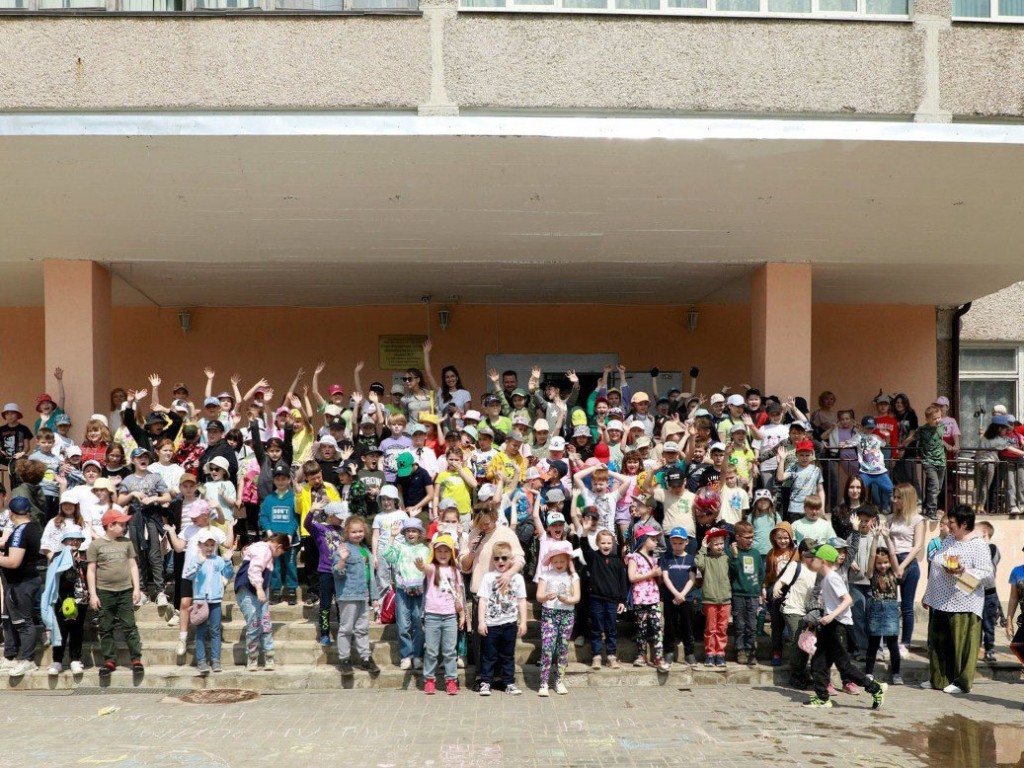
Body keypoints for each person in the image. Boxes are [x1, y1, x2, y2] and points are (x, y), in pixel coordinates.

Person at [803, 544, 887, 709]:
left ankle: (875, 688)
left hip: (839, 626)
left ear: (823, 561)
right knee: (819, 663)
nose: (810, 562)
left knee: (844, 667)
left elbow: (848, 600)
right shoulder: (825, 579)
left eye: (813, 559)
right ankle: (822, 698)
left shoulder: (833, 578)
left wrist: (831, 615)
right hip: (829, 626)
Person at [921, 504, 993, 694]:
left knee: (962, 645)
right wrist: (928, 594)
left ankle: (962, 683)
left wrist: (963, 572)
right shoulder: (949, 540)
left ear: (964, 524)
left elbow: (987, 575)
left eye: (952, 522)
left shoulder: (978, 545)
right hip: (941, 600)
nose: (949, 525)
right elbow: (937, 564)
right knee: (938, 643)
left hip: (965, 602)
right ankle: (939, 679)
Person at [86, 508, 143, 677]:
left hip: (125, 591)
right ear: (110, 525)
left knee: (129, 626)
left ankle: (136, 659)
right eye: (121, 524)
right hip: (105, 592)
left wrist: (137, 588)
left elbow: (133, 566)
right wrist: (93, 594)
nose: (124, 527)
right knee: (105, 627)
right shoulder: (96, 545)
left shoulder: (127, 543)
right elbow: (91, 571)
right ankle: (109, 660)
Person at [116, 447, 171, 607]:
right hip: (135, 519)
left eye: (146, 456)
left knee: (155, 554)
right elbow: (120, 501)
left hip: (152, 517)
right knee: (137, 555)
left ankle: (160, 591)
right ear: (133, 460)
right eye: (139, 457)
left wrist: (153, 498)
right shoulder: (128, 480)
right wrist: (133, 495)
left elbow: (167, 496)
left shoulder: (155, 477)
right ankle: (143, 591)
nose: (143, 459)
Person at [417, 534, 467, 695]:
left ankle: (451, 680)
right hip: (432, 614)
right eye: (440, 551)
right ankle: (429, 679)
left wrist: (462, 614)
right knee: (431, 650)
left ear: (451, 553)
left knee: (450, 651)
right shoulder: (433, 568)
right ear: (435, 553)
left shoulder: (455, 571)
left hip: (450, 615)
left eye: (446, 551)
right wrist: (420, 565)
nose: (443, 554)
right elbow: (425, 568)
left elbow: (459, 592)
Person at [476, 539, 527, 696]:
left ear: (511, 560)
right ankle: (486, 681)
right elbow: (483, 600)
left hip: (509, 623)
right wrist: (481, 621)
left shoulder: (517, 578)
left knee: (507, 656)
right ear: (493, 560)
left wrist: (523, 621)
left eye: (504, 558)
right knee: (489, 655)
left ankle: (509, 682)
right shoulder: (488, 577)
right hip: (491, 624)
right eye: (497, 558)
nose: (500, 561)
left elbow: (522, 600)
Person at [0, 496, 44, 676]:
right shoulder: (32, 528)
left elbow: (13, 562)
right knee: (10, 619)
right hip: (20, 582)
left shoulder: (20, 532)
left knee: (23, 622)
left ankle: (28, 659)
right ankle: (10, 657)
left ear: (11, 513)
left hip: (22, 583)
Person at [333, 516, 381, 676]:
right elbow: (337, 573)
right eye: (353, 532)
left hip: (363, 595)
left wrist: (374, 597)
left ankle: (366, 658)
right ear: (347, 532)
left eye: (360, 531)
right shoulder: (343, 549)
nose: (357, 534)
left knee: (362, 628)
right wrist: (342, 560)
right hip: (347, 595)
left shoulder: (366, 550)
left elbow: (372, 577)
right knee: (346, 628)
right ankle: (344, 660)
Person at [183, 530, 235, 675]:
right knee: (200, 631)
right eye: (207, 544)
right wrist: (199, 563)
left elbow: (228, 574)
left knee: (215, 630)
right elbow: (189, 575)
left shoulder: (218, 560)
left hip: (216, 600)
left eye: (212, 544)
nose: (210, 547)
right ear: (200, 545)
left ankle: (215, 660)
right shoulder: (195, 559)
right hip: (200, 601)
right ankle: (201, 661)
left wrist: (227, 560)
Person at [235, 533, 289, 672]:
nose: (280, 555)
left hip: (260, 592)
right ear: (279, 546)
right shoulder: (263, 549)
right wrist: (259, 588)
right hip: (249, 590)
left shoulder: (265, 552)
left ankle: (269, 656)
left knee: (265, 623)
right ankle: (252, 657)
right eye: (282, 552)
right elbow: (255, 569)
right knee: (254, 624)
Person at [383, 517, 429, 671]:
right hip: (402, 590)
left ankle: (417, 656)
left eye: (414, 531)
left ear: (419, 533)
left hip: (420, 591)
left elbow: (430, 569)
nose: (411, 534)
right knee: (403, 625)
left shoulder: (425, 549)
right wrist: (392, 536)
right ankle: (406, 656)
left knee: (418, 623)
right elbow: (387, 555)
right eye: (408, 531)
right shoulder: (400, 547)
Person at [42, 526, 89, 675]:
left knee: (77, 629)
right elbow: (53, 579)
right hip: (61, 598)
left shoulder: (85, 556)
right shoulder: (58, 556)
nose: (74, 542)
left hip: (80, 598)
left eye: (77, 539)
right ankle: (57, 661)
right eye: (71, 539)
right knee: (60, 630)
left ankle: (75, 659)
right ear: (64, 541)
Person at [536, 540, 580, 697]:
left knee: (563, 648)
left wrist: (566, 600)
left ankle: (559, 680)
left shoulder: (573, 576)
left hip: (567, 615)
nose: (559, 563)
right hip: (549, 613)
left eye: (562, 560)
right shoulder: (546, 575)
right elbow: (539, 596)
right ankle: (544, 682)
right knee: (548, 648)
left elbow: (577, 597)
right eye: (555, 561)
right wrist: (547, 596)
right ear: (551, 561)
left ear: (568, 561)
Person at [888, 482, 924, 658]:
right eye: (894, 497)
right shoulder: (891, 518)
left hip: (908, 562)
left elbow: (917, 546)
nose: (894, 500)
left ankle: (906, 642)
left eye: (898, 497)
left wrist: (902, 566)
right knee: (890, 605)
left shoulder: (917, 519)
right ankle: (891, 641)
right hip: (891, 561)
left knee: (907, 607)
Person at [627, 526, 671, 672]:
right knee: (641, 629)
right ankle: (641, 655)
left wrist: (658, 575)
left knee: (657, 628)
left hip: (654, 598)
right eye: (652, 539)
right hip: (640, 598)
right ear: (644, 540)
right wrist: (651, 573)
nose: (656, 542)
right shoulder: (634, 557)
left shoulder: (655, 559)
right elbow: (632, 577)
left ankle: (658, 657)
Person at [863, 524, 902, 685]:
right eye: (880, 563)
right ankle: (868, 673)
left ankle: (896, 673)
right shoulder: (871, 574)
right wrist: (875, 538)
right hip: (876, 608)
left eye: (885, 562)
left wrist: (886, 537)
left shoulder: (894, 572)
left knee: (893, 644)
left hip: (891, 608)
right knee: (873, 643)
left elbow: (893, 555)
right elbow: (872, 557)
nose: (883, 565)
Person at [258, 462, 299, 605]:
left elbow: (296, 517)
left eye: (283, 479)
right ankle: (275, 590)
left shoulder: (293, 498)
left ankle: (292, 589)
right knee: (274, 565)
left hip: (290, 539)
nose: (280, 482)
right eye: (277, 479)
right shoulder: (269, 499)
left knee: (290, 564)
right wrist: (269, 530)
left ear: (289, 480)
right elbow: (263, 516)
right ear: (274, 480)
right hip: (273, 540)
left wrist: (289, 533)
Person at [729, 520, 764, 666]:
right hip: (738, 595)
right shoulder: (732, 554)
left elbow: (761, 574)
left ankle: (751, 651)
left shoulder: (755, 553)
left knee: (752, 625)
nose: (750, 540)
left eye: (752, 537)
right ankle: (740, 650)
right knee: (740, 624)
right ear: (737, 537)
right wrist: (736, 556)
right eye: (747, 537)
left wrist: (759, 590)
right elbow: (733, 572)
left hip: (753, 595)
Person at [976, 520, 1002, 664]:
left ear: (984, 533)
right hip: (975, 593)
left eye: (975, 531)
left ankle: (990, 650)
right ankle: (976, 649)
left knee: (988, 624)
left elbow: (989, 567)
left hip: (989, 593)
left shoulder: (992, 548)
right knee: (976, 623)